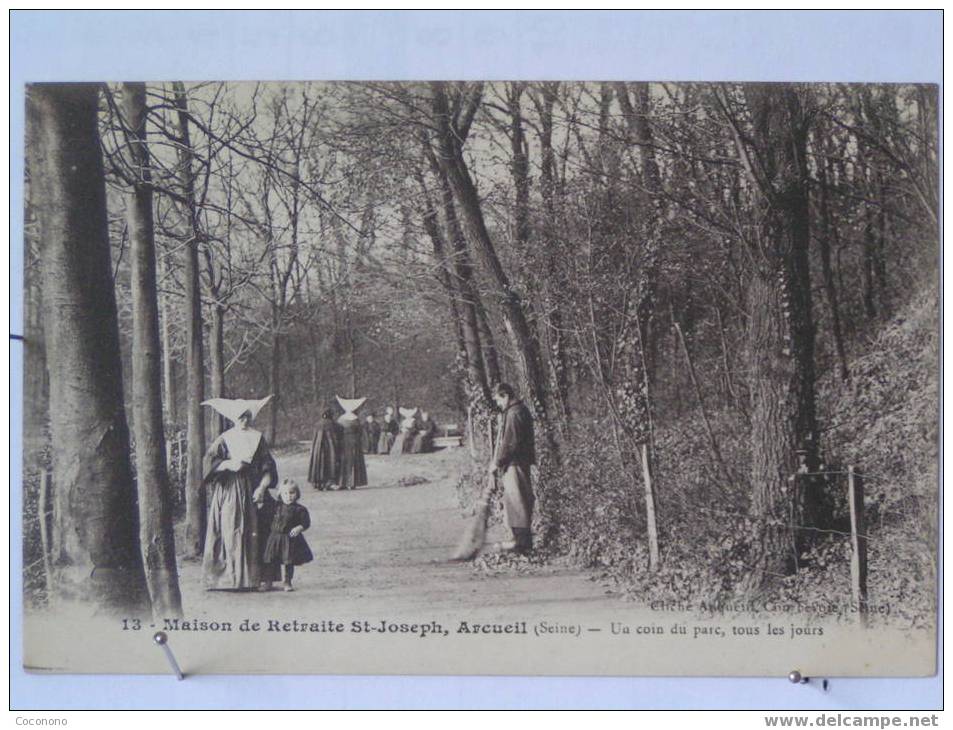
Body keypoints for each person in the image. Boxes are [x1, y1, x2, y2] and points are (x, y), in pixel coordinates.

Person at [200, 396, 278, 590]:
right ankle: (228, 578)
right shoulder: (225, 438)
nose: (244, 421)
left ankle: (255, 578)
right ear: (234, 419)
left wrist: (261, 488)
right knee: (229, 528)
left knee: (259, 528)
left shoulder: (257, 438)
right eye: (241, 418)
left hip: (253, 486)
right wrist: (227, 464)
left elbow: (268, 467)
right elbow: (208, 462)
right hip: (229, 489)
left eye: (247, 417)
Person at [489, 383, 537, 555]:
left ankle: (522, 543)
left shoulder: (514, 413)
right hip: (516, 462)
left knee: (518, 500)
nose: (498, 404)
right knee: (515, 500)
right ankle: (519, 540)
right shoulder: (516, 411)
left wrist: (497, 462)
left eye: (498, 400)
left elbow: (511, 443)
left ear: (506, 396)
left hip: (515, 462)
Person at [262, 479, 313, 592]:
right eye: (285, 493)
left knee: (288, 561)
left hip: (289, 539)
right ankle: (268, 582)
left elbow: (306, 523)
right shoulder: (276, 506)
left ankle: (287, 581)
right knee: (270, 560)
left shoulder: (300, 509)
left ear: (297, 494)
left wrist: (299, 528)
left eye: (292, 493)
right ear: (280, 494)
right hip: (275, 538)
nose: (288, 496)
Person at [337, 396, 369, 490]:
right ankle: (353, 482)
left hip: (344, 441)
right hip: (355, 442)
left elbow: (338, 430)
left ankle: (343, 482)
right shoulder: (356, 419)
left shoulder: (341, 419)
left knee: (344, 461)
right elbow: (360, 431)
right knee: (354, 461)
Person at [308, 409, 341, 491]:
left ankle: (318, 483)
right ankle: (329, 483)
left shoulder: (317, 424)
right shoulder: (332, 424)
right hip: (329, 448)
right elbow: (336, 437)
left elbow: (314, 438)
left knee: (319, 464)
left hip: (318, 448)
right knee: (329, 464)